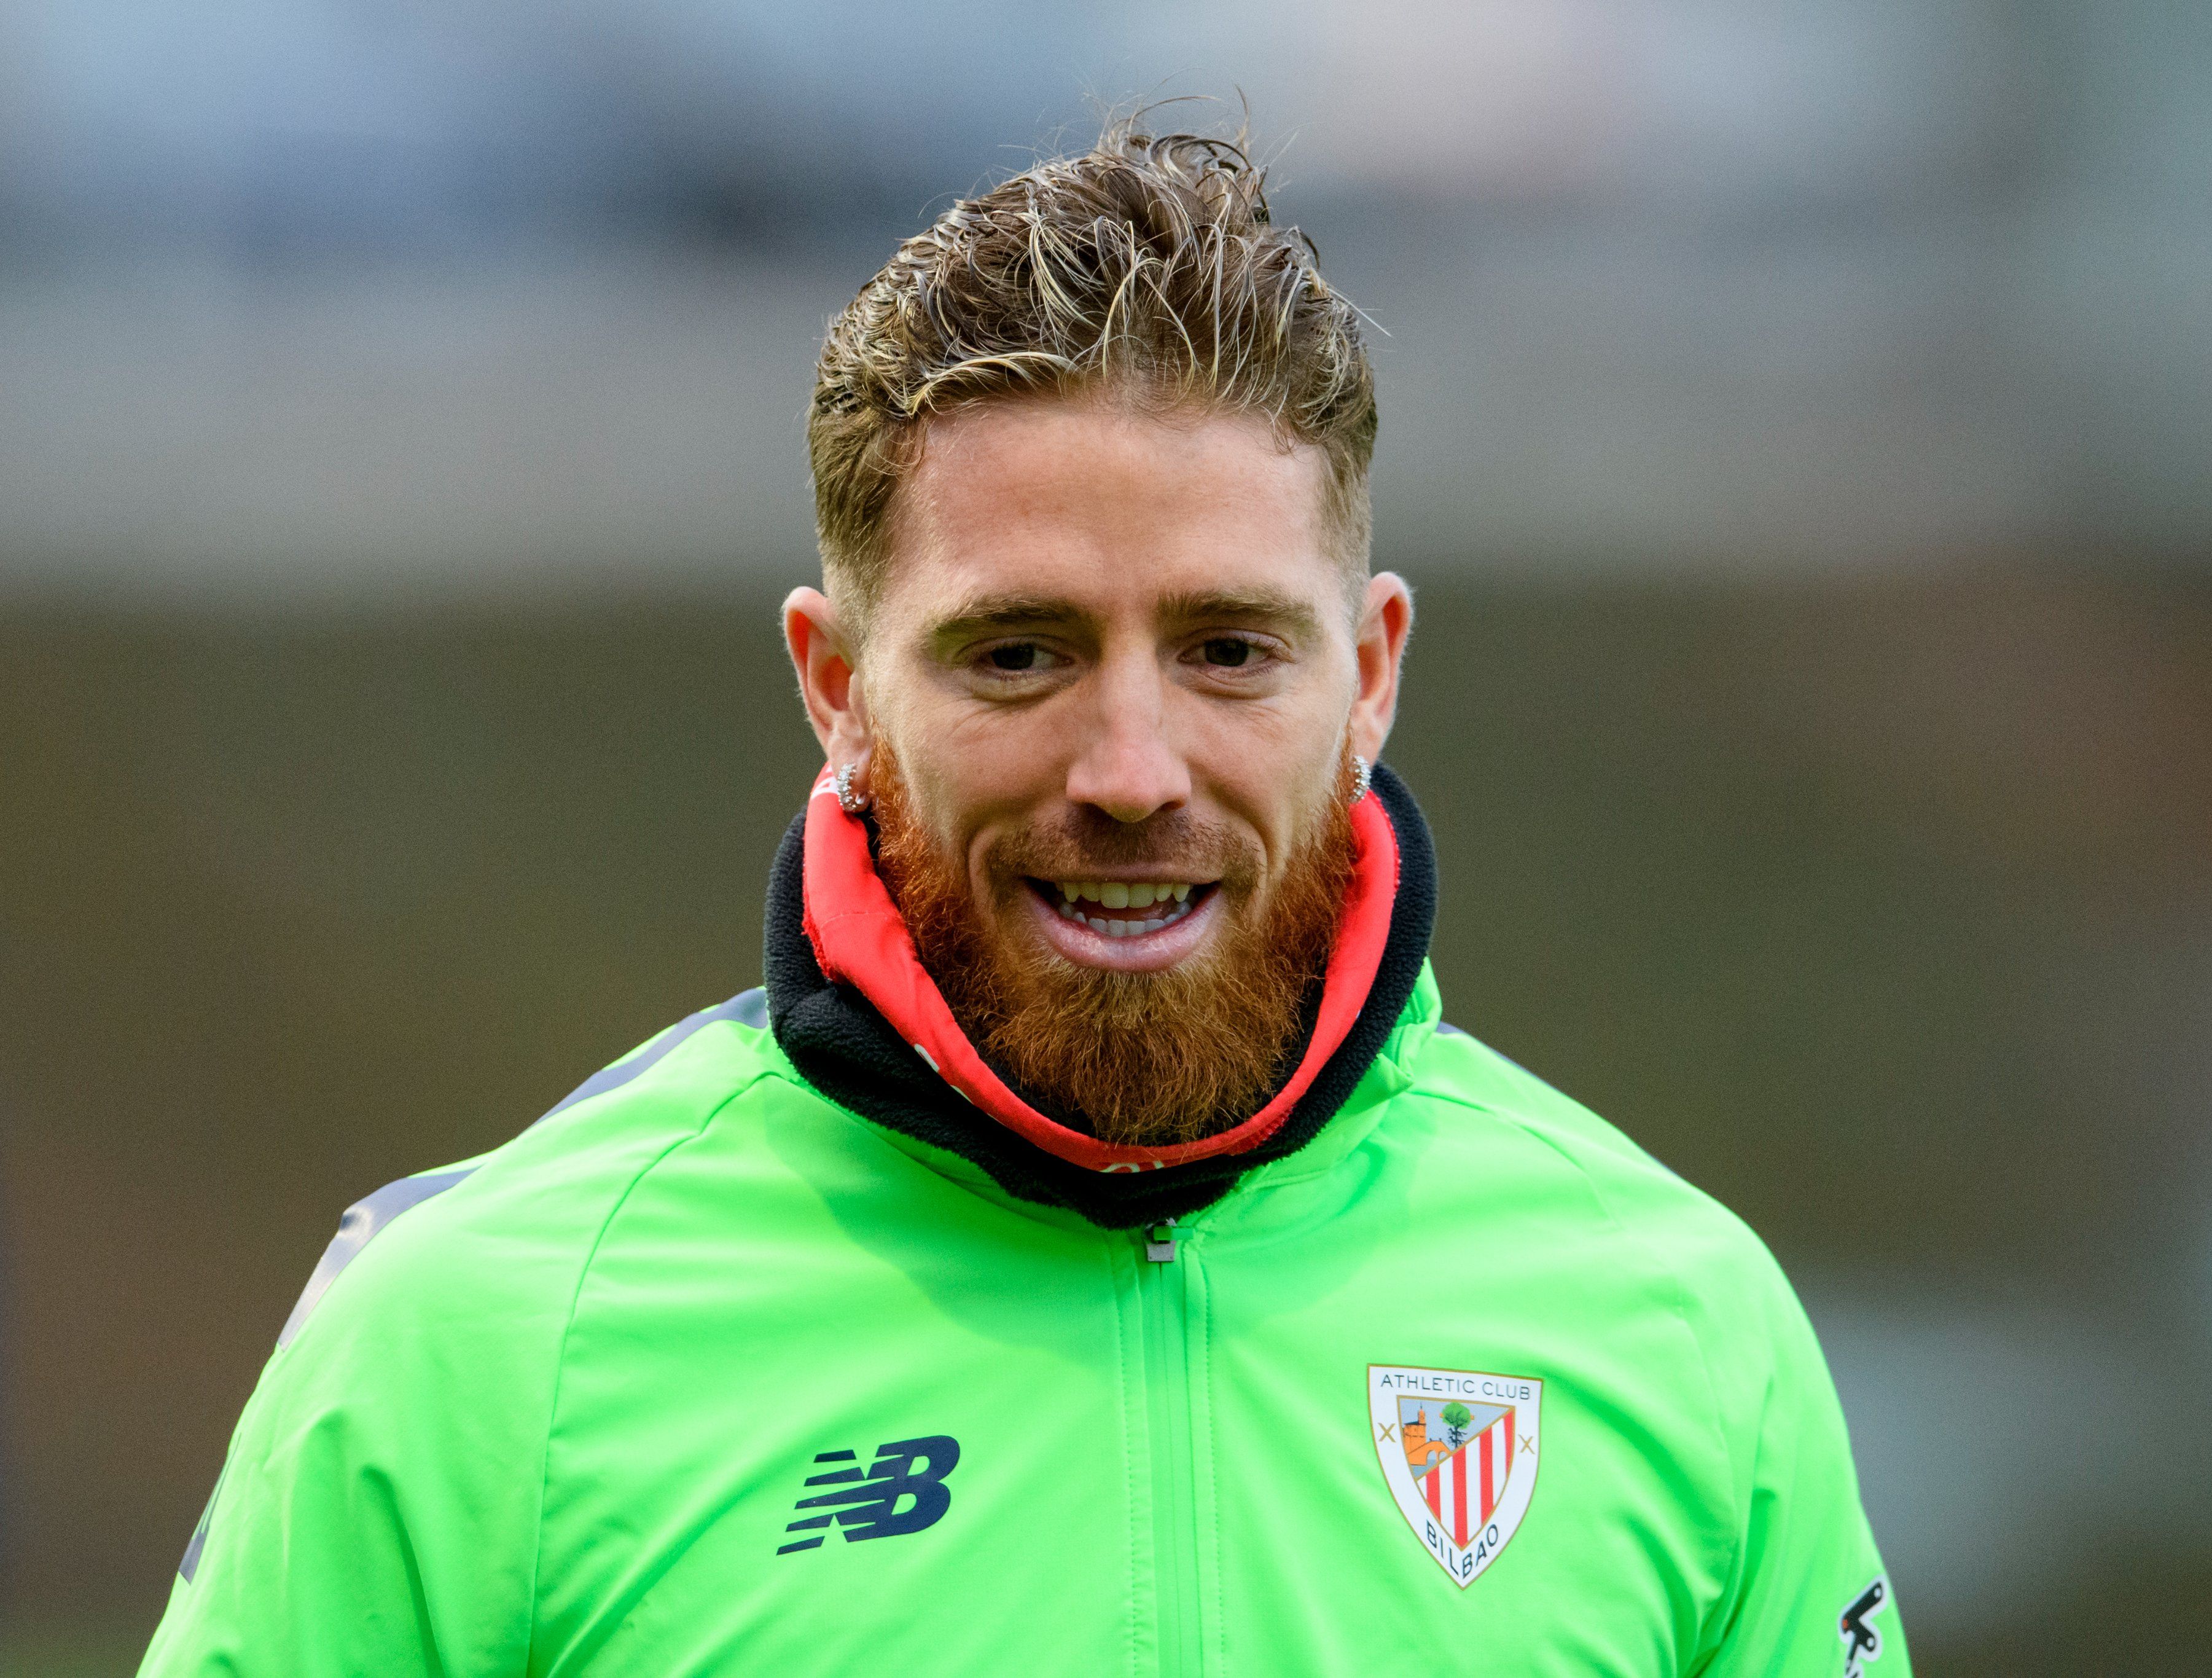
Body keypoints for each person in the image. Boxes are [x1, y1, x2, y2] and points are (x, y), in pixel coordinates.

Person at [139, 120, 1907, 1676]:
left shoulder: (1678, 1330)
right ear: (835, 687)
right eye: (1018, 652)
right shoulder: (477, 1343)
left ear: (1370, 675)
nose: (1130, 765)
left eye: (1228, 649)